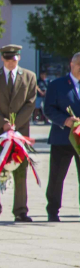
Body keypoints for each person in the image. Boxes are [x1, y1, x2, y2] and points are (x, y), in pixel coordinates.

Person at [0, 44, 38, 222]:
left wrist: (15, 124)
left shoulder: (29, 76)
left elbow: (30, 103)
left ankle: (20, 210)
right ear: (2, 59)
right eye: (7, 59)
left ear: (19, 58)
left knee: (20, 171)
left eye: (13, 59)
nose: (10, 62)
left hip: (19, 132)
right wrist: (4, 123)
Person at [43, 51, 80, 222]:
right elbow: (48, 109)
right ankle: (53, 210)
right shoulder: (57, 85)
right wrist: (65, 120)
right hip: (62, 138)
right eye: (79, 65)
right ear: (71, 65)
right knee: (57, 177)